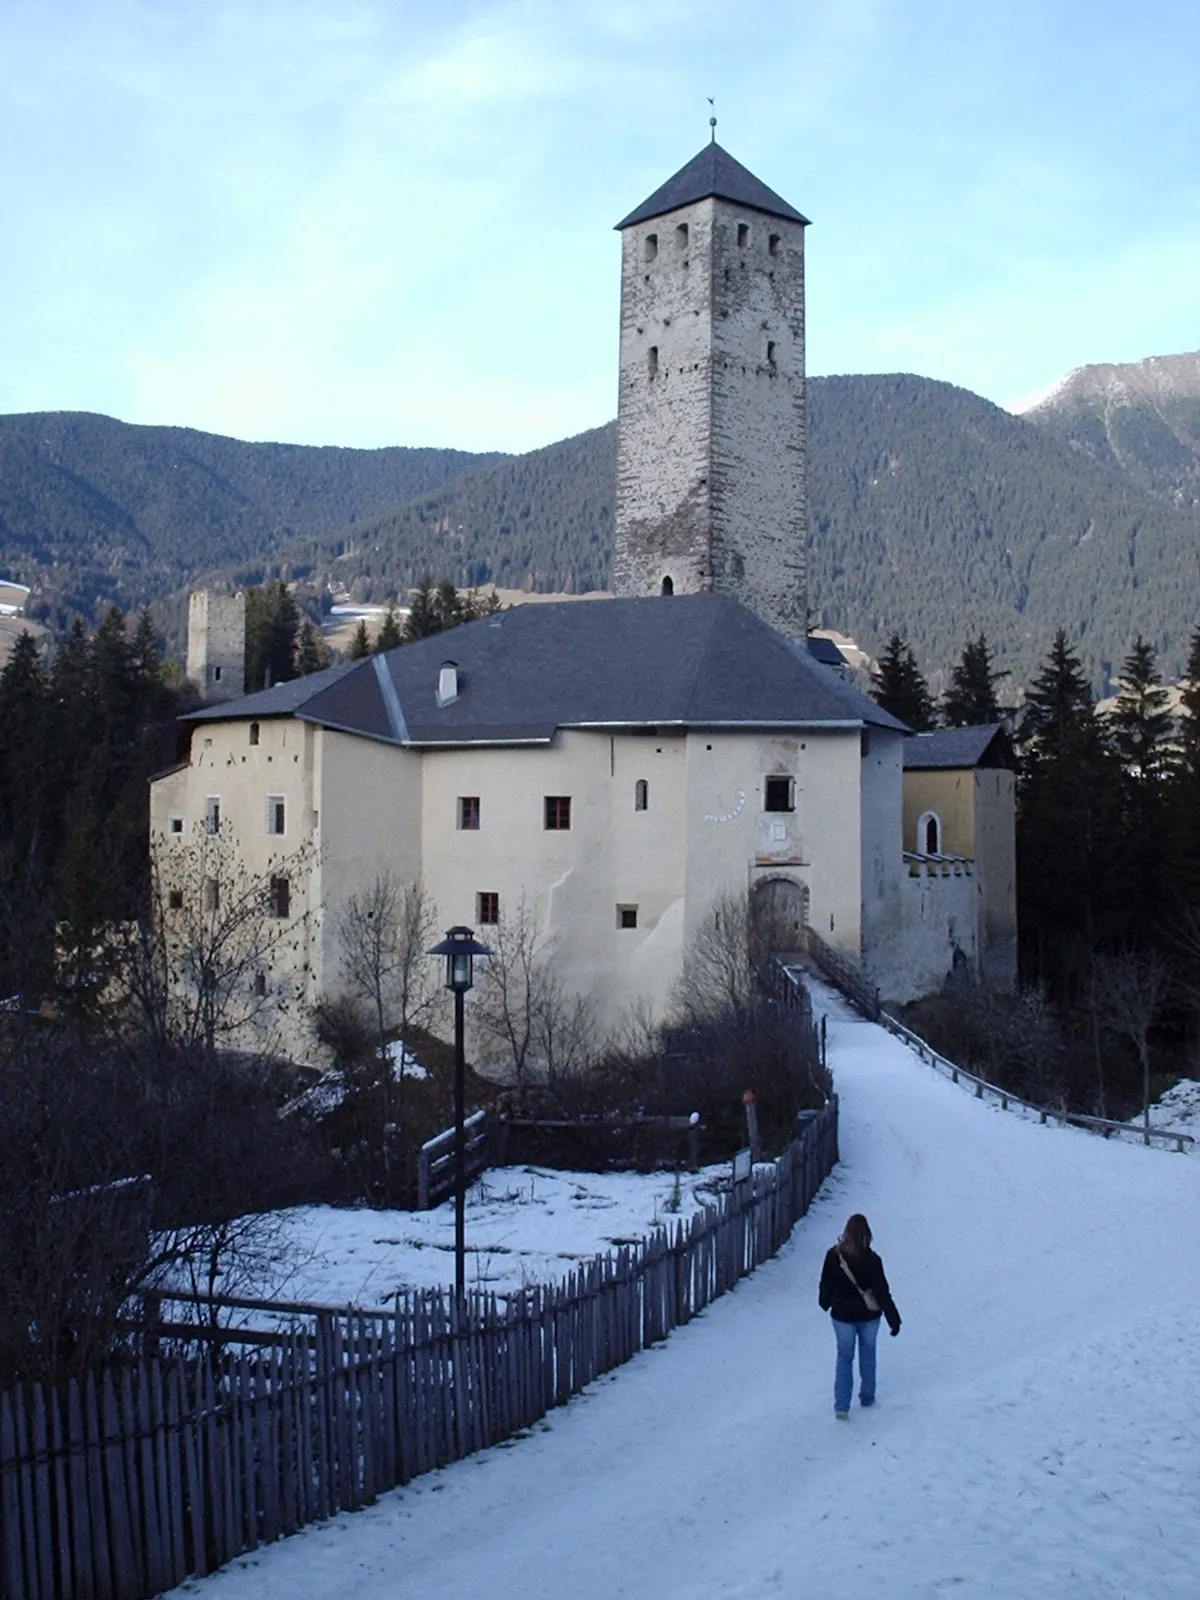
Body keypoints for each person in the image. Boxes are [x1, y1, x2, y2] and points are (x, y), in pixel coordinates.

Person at [818, 1213, 901, 1419]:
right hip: (869, 1316)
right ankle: (867, 1395)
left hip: (842, 1316)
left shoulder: (833, 1256)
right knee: (868, 1353)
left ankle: (841, 1405)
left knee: (844, 1357)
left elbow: (825, 1283)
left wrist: (826, 1303)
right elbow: (882, 1291)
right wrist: (893, 1318)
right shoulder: (873, 1260)